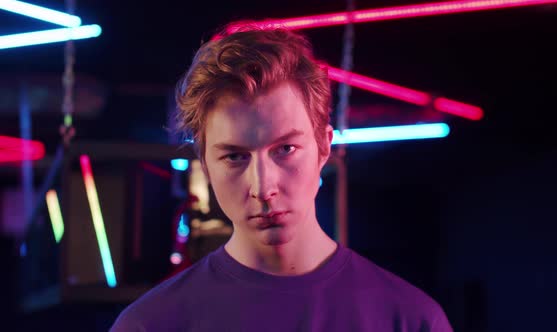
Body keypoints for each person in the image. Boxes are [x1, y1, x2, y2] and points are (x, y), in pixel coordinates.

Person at [110, 23, 453, 331]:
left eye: (285, 149)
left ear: (323, 146)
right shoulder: (150, 325)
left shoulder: (410, 320)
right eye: (234, 156)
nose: (263, 187)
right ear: (206, 165)